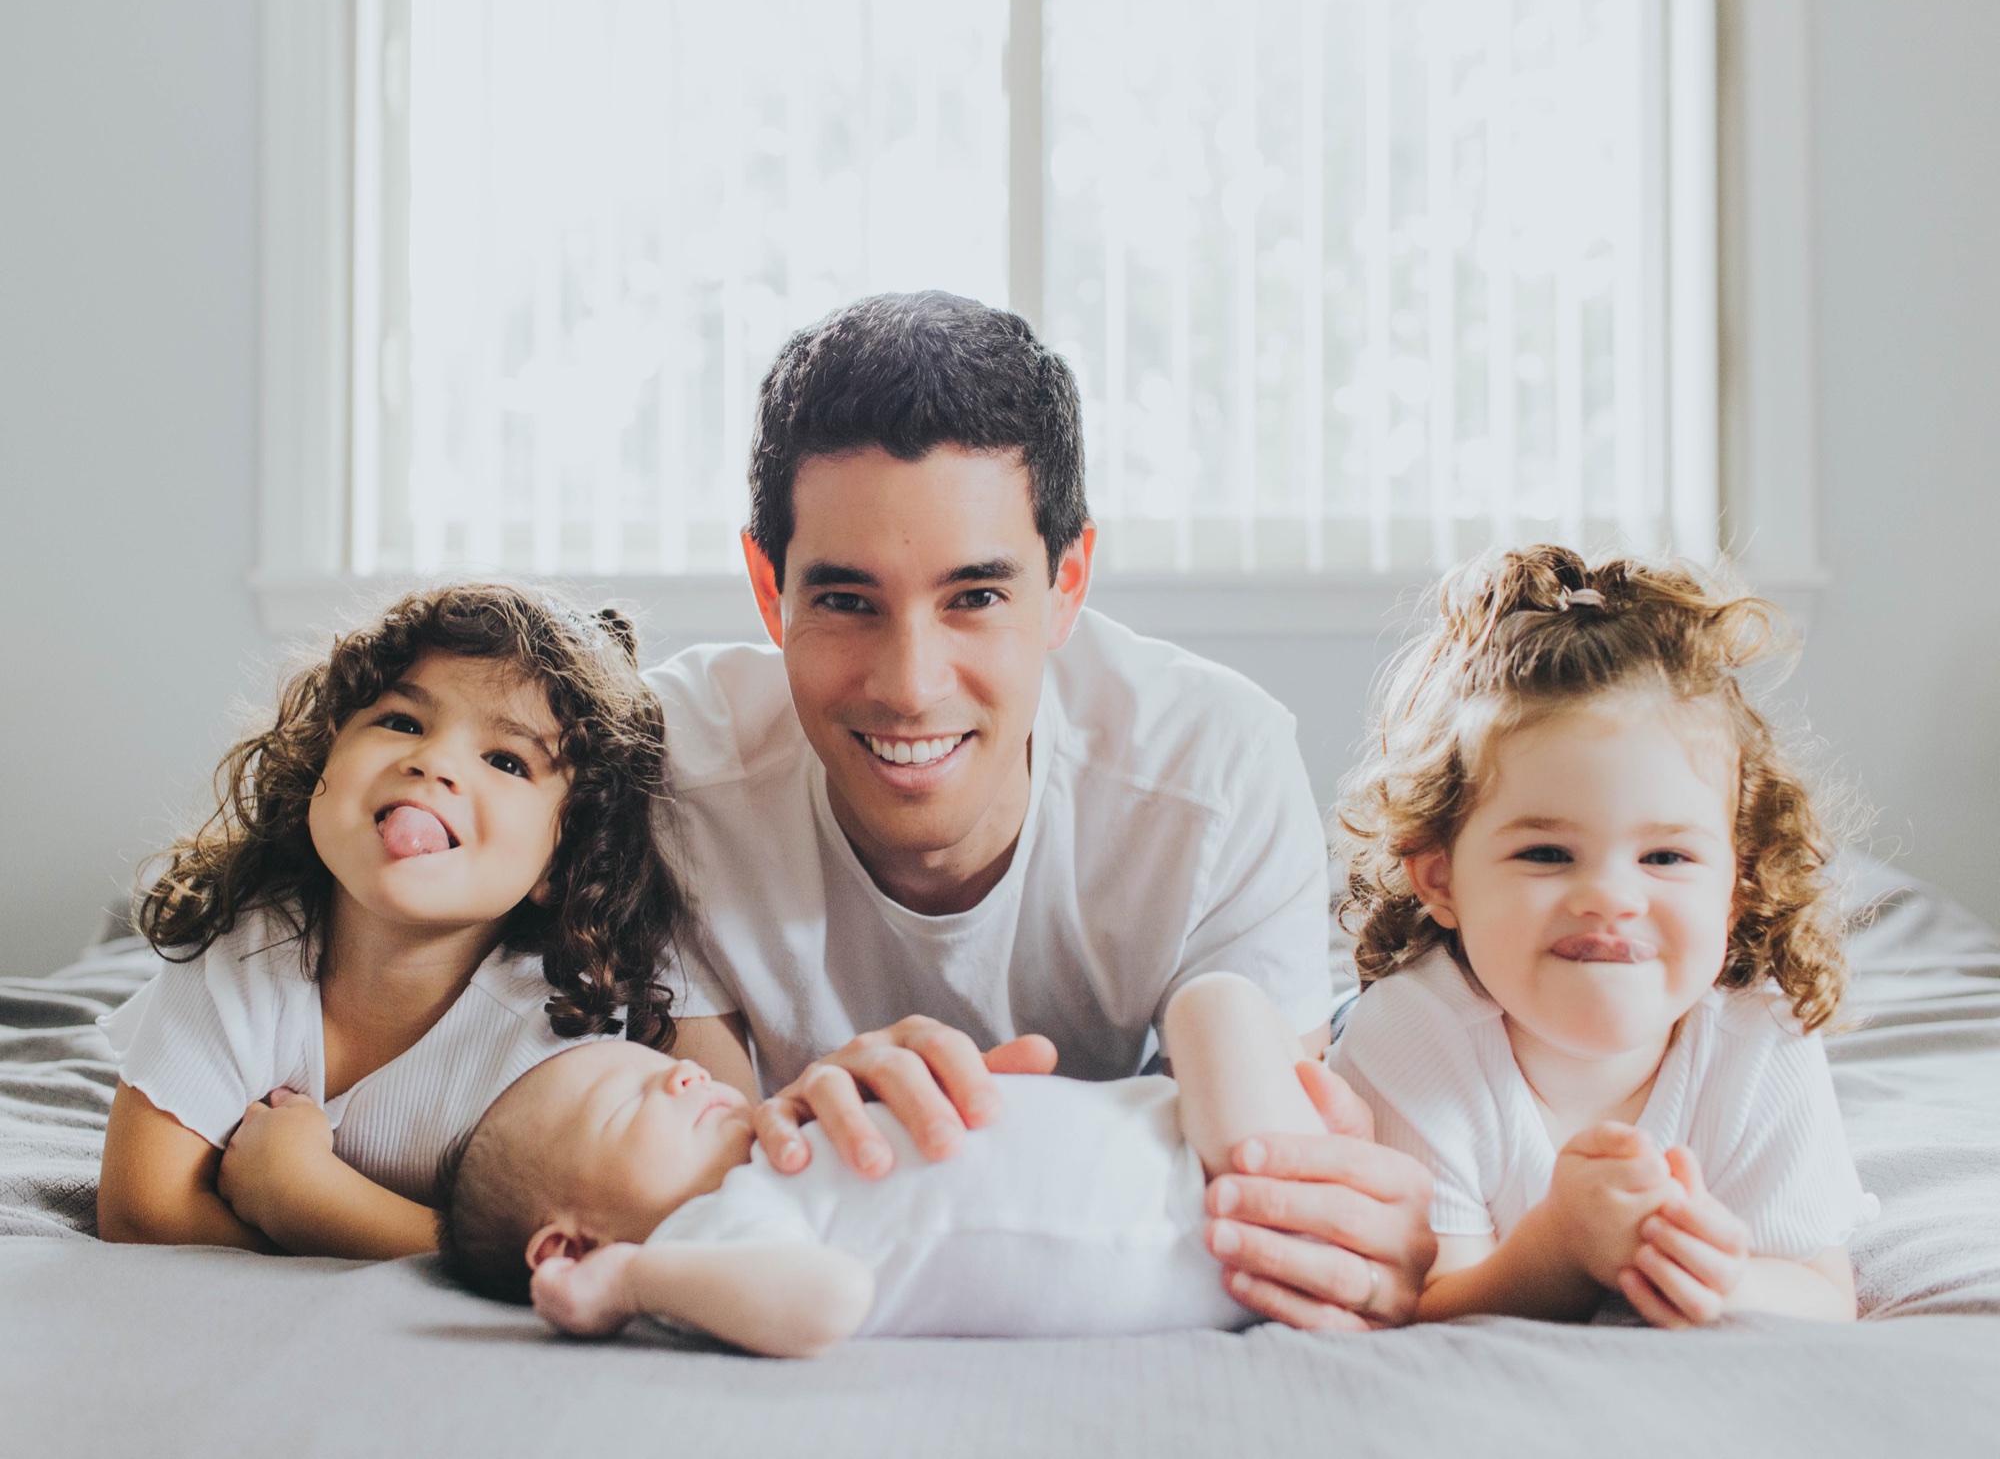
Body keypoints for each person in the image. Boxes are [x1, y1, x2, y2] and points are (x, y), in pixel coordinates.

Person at [650, 290, 1435, 1329]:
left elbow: (1273, 1195)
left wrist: (1350, 1238)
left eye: (974, 597)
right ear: (768, 590)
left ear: (1068, 583)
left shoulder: (1215, 775)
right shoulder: (673, 777)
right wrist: (775, 1131)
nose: (910, 686)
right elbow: (680, 1192)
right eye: (845, 601)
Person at [1329, 546, 1876, 1326]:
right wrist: (1560, 1247)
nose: (1612, 899)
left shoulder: (1762, 1034)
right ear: (1440, 878)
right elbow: (1423, 1304)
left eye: (1666, 857)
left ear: (1738, 883)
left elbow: (1823, 1295)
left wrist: (1725, 1280)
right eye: (1547, 854)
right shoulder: (1412, 1034)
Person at [95, 583, 688, 1259]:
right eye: (403, 722)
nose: (433, 762)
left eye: (506, 761)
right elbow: (140, 1211)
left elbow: (552, 1256)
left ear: (565, 860)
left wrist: (304, 1196)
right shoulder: (246, 939)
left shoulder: (559, 1031)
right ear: (321, 756)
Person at [435, 973, 1329, 1355]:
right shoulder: (704, 1239)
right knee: (1214, 1004)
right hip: (1211, 1210)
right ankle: (1335, 1180)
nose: (681, 1074)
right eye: (628, 1102)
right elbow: (829, 1300)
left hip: (1176, 1135)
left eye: (656, 1064)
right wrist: (631, 1281)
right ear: (571, 1247)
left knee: (1217, 1004)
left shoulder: (786, 1139)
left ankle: (1341, 1158)